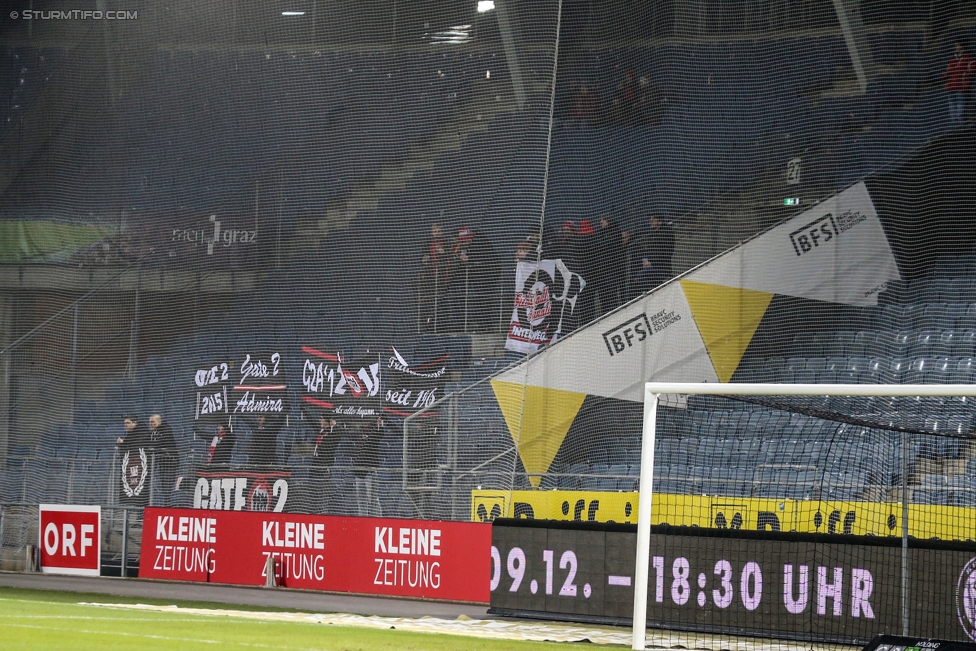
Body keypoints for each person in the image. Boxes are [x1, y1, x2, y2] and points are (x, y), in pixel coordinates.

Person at [631, 215, 675, 297]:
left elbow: (665, 253)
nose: (650, 222)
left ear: (659, 221)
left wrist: (651, 262)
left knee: (642, 274)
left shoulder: (666, 233)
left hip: (662, 267)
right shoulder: (652, 234)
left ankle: (651, 295)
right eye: (650, 220)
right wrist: (645, 261)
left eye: (653, 220)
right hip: (652, 266)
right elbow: (647, 251)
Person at [418, 223, 450, 333]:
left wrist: (444, 253)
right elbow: (423, 257)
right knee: (428, 301)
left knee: (441, 301)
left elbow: (451, 257)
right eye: (435, 231)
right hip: (430, 277)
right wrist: (424, 260)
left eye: (439, 231)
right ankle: (427, 326)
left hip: (442, 277)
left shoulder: (446, 243)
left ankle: (442, 326)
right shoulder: (427, 244)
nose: (437, 234)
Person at [117, 414, 151, 506]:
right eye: (125, 423)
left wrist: (123, 443)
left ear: (135, 423)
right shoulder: (130, 434)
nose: (125, 425)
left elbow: (137, 444)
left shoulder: (143, 432)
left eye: (128, 423)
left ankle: (141, 513)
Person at [352, 417, 383, 517]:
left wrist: (379, 424)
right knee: (360, 499)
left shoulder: (374, 431)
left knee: (372, 499)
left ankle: (377, 519)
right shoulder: (358, 432)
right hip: (358, 471)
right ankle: (362, 519)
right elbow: (348, 433)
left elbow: (380, 434)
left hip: (370, 470)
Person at [595, 216, 625, 312]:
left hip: (612, 269)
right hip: (602, 270)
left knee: (612, 294)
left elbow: (609, 244)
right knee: (603, 295)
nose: (601, 222)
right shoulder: (600, 234)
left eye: (603, 220)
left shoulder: (615, 232)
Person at [310, 416, 340, 514]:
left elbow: (338, 435)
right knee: (313, 491)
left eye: (322, 418)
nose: (320, 420)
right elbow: (311, 421)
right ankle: (314, 512)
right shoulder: (321, 431)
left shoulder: (332, 434)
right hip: (315, 465)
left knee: (322, 492)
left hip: (324, 466)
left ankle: (322, 513)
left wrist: (334, 426)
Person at [148, 413, 180, 502]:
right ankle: (167, 503)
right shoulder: (152, 432)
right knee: (163, 485)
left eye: (153, 422)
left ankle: (170, 504)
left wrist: (151, 446)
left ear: (159, 422)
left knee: (168, 484)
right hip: (161, 462)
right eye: (150, 422)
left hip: (170, 462)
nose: (151, 424)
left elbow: (161, 442)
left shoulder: (166, 429)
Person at [946, 40, 975, 125]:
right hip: (951, 88)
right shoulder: (952, 59)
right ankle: (956, 130)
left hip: (961, 89)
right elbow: (948, 72)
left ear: (962, 46)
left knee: (960, 113)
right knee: (953, 114)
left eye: (957, 45)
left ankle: (962, 129)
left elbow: (971, 71)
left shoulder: (969, 58)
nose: (955, 47)